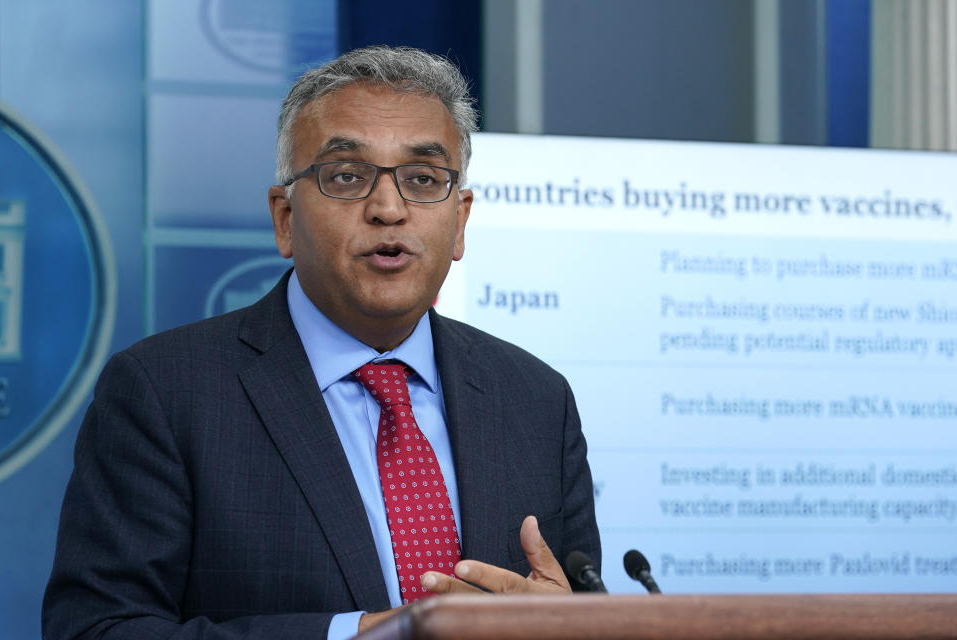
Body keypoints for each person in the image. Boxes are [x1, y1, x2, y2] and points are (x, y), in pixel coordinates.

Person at [43, 45, 600, 640]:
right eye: (347, 177)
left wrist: (575, 626)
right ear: (285, 218)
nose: (388, 209)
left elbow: (592, 606)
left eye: (422, 179)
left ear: (460, 221)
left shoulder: (537, 399)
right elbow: (96, 629)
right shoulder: (164, 391)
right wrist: (354, 635)